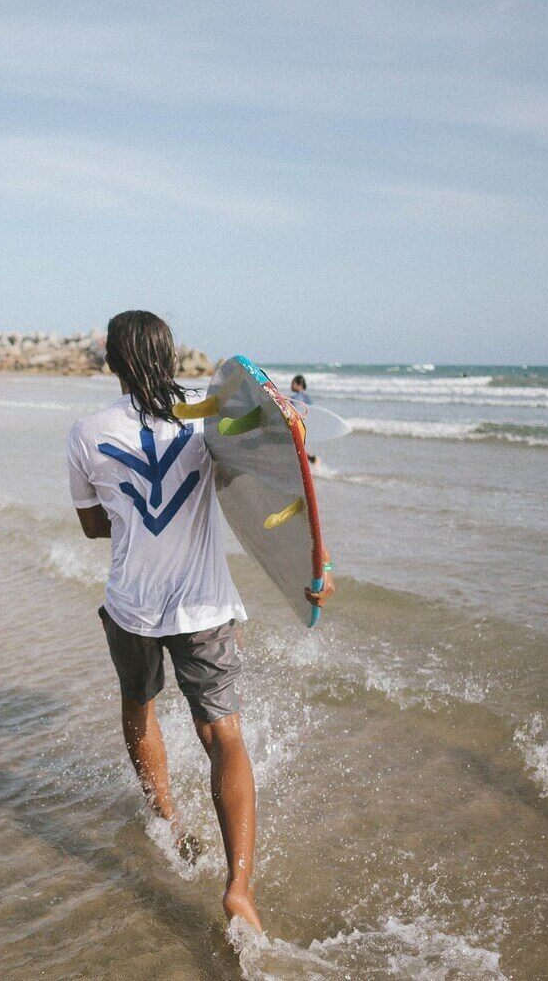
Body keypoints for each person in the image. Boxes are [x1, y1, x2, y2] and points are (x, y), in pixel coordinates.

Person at [67, 310, 333, 932]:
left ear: (111, 361)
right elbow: (280, 475)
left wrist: (136, 520)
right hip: (205, 606)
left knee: (139, 706)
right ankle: (240, 887)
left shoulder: (86, 432)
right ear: (170, 354)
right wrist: (316, 559)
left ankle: (167, 815)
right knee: (224, 737)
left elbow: (92, 525)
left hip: (132, 605)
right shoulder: (207, 413)